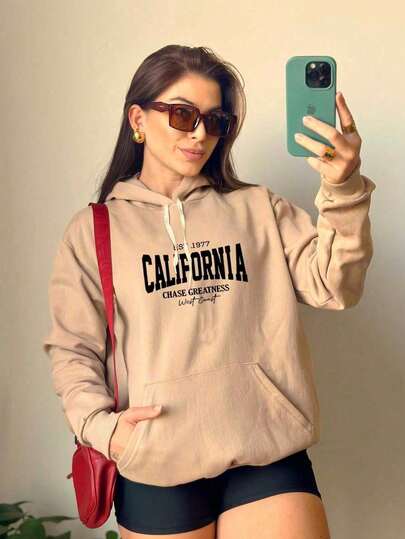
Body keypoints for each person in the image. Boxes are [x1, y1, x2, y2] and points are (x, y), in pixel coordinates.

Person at [42, 44, 376, 539]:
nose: (200, 134)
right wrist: (103, 431)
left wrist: (343, 188)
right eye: (183, 115)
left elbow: (335, 286)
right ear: (138, 119)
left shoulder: (257, 208)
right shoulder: (94, 231)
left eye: (216, 120)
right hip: (157, 463)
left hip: (266, 449)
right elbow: (73, 350)